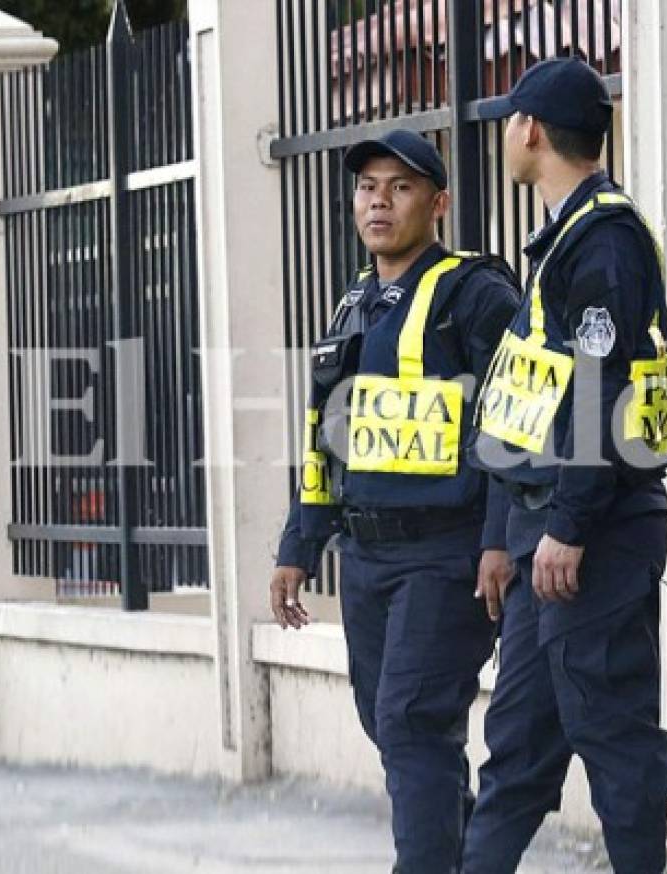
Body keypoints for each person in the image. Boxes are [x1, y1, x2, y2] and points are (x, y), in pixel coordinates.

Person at [269, 130, 519, 874]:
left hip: (448, 554)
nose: (379, 200)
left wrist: (500, 540)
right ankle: (467, 855)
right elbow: (327, 440)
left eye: (400, 186)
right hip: (369, 558)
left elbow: (516, 425)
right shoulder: (356, 305)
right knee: (395, 726)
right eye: (367, 186)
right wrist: (297, 548)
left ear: (438, 203)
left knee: (411, 721)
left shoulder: (475, 294)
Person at [463, 58, 667, 874]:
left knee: (611, 727)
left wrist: (567, 524)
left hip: (593, 531)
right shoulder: (563, 239)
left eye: (509, 122)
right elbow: (528, 400)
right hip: (542, 527)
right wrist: (506, 533)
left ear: (529, 129)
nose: (505, 136)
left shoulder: (604, 240)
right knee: (519, 739)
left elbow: (602, 392)